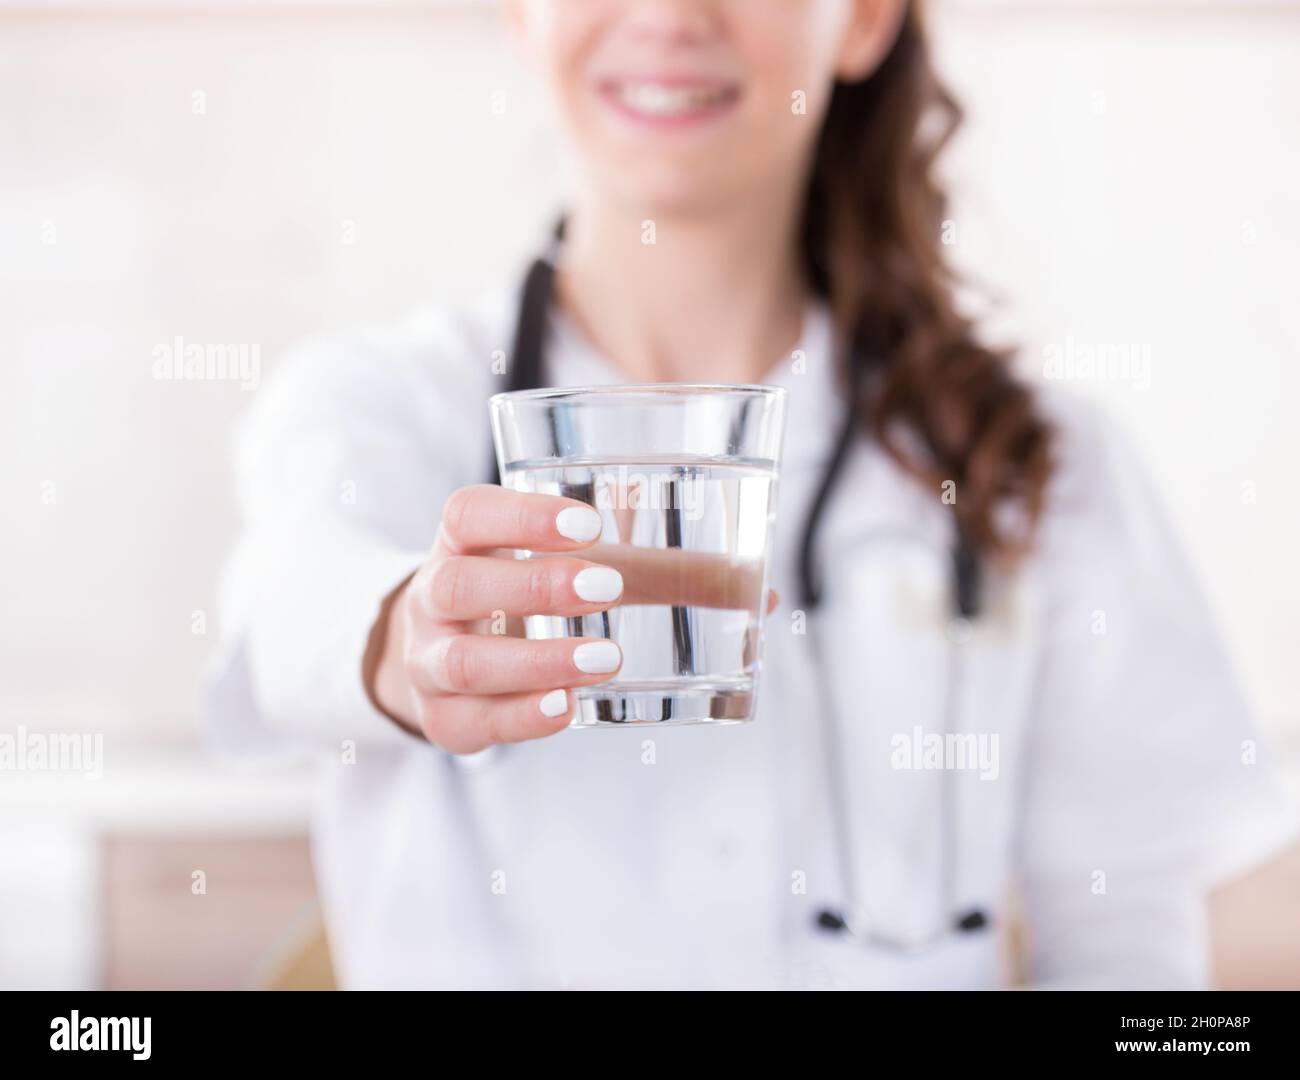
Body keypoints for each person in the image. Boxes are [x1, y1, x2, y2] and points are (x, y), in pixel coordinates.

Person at [206, 0, 1294, 989]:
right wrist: (408, 637)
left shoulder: (1039, 462)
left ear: (866, 18)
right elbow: (288, 609)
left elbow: (1122, 937)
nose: (672, 16)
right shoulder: (383, 406)